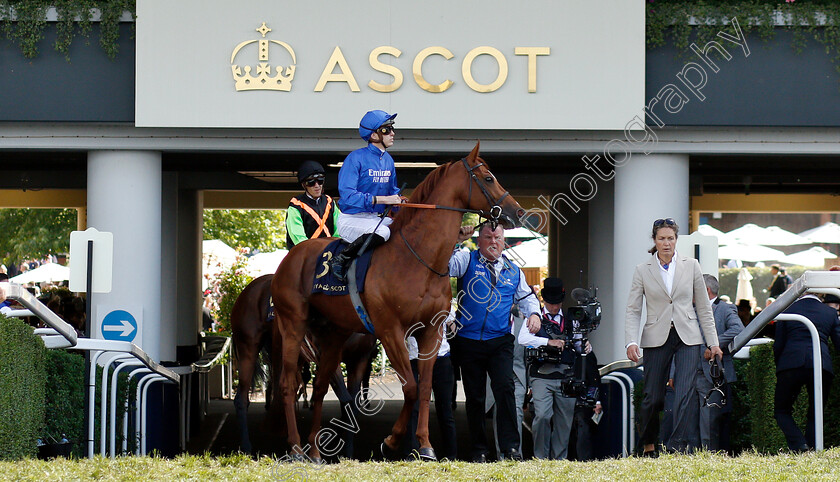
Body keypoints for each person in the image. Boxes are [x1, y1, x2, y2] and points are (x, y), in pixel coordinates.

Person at [624, 218, 722, 455]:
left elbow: (704, 309)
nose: (666, 243)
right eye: (661, 238)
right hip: (656, 337)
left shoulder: (692, 266)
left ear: (676, 240)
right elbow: (633, 309)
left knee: (684, 394)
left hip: (688, 336)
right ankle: (648, 444)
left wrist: (714, 343)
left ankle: (677, 447)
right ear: (654, 240)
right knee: (653, 397)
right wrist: (631, 340)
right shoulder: (642, 270)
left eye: (670, 238)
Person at [449, 221, 540, 462]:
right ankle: (479, 449)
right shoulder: (467, 260)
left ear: (504, 242)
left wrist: (534, 314)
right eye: (488, 237)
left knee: (505, 391)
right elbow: (444, 266)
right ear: (479, 240)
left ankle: (511, 449)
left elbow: (528, 298)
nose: (493, 242)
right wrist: (457, 240)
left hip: (500, 341)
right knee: (475, 397)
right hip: (469, 340)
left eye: (497, 238)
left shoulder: (513, 270)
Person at [329, 110, 402, 282]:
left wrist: (401, 204)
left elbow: (393, 191)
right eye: (386, 130)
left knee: (404, 229)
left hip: (374, 219)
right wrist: (383, 200)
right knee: (384, 232)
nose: (392, 133)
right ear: (373, 135)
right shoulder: (355, 158)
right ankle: (341, 259)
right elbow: (347, 196)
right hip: (351, 219)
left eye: (392, 129)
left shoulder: (389, 160)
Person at [517, 277, 579, 459]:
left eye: (558, 302)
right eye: (551, 303)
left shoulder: (569, 319)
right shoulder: (535, 318)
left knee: (564, 421)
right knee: (542, 416)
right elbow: (523, 339)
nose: (554, 307)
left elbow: (576, 343)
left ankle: (559, 459)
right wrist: (548, 342)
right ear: (544, 300)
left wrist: (584, 346)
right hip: (541, 375)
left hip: (566, 375)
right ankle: (540, 457)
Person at [774, 293, 840, 451]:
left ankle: (800, 445)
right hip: (821, 363)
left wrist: (781, 367)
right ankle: (812, 447)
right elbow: (838, 343)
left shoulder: (787, 310)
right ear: (821, 295)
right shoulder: (829, 312)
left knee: (781, 410)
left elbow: (778, 344)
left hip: (791, 363)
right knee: (816, 412)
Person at [696, 274, 744, 452]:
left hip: (713, 374)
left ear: (706, 290)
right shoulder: (690, 310)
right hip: (691, 372)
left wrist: (714, 344)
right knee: (690, 419)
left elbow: (738, 329)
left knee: (711, 421)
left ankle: (711, 457)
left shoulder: (725, 308)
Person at [285, 161, 341, 248]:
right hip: (305, 253)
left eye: (320, 181)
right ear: (304, 185)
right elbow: (298, 236)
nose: (317, 185)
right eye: (311, 182)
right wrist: (312, 250)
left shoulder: (329, 201)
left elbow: (339, 229)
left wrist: (333, 247)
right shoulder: (296, 205)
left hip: (329, 251)